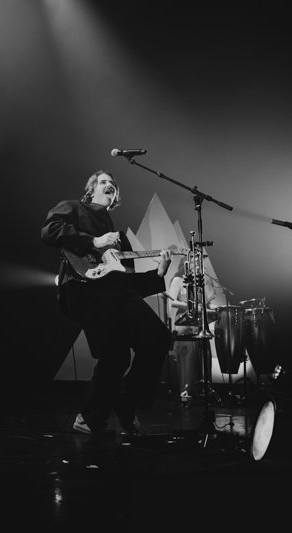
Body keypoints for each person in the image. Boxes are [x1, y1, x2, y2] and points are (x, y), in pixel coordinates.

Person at [41, 169, 172, 435]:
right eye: (103, 182)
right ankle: (97, 416)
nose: (109, 184)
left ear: (115, 198)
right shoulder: (73, 208)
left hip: (116, 293)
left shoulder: (119, 238)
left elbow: (127, 283)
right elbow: (49, 230)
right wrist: (93, 240)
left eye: (113, 183)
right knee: (116, 355)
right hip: (83, 289)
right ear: (91, 190)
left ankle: (112, 409)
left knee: (155, 339)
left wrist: (158, 275)